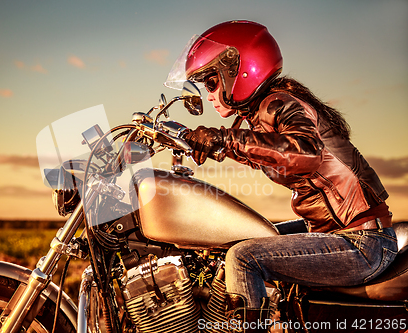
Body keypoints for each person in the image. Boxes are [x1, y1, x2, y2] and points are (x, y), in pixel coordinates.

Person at [165, 20, 398, 332]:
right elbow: (269, 154)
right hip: (337, 233)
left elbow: (304, 152)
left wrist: (223, 139)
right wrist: (210, 143)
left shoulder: (281, 103)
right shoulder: (267, 109)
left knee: (244, 257)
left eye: (210, 82)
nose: (208, 94)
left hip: (361, 242)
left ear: (240, 72)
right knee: (239, 237)